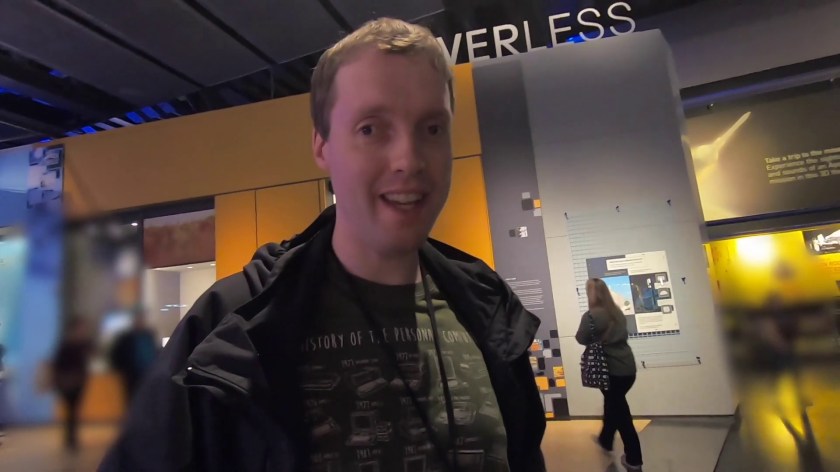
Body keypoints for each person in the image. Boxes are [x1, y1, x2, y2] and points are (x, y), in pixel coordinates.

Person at [100, 18, 546, 472]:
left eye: (432, 128)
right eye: (371, 129)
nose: (409, 160)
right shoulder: (231, 328)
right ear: (322, 146)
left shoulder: (486, 306)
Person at [576, 278, 642, 471]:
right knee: (613, 402)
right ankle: (605, 439)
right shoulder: (617, 312)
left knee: (622, 414)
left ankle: (634, 458)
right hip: (628, 369)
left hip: (609, 371)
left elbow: (581, 337)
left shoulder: (591, 316)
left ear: (592, 294)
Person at [52, 316, 94, 452]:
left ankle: (71, 438)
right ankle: (71, 438)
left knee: (74, 410)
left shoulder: (82, 345)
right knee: (71, 410)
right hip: (69, 382)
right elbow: (59, 365)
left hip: (78, 381)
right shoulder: (67, 346)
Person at [109, 310, 158, 404]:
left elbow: (154, 351)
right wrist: (121, 368)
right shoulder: (126, 338)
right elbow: (116, 354)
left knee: (146, 397)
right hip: (132, 373)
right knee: (132, 397)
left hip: (148, 372)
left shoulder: (149, 335)